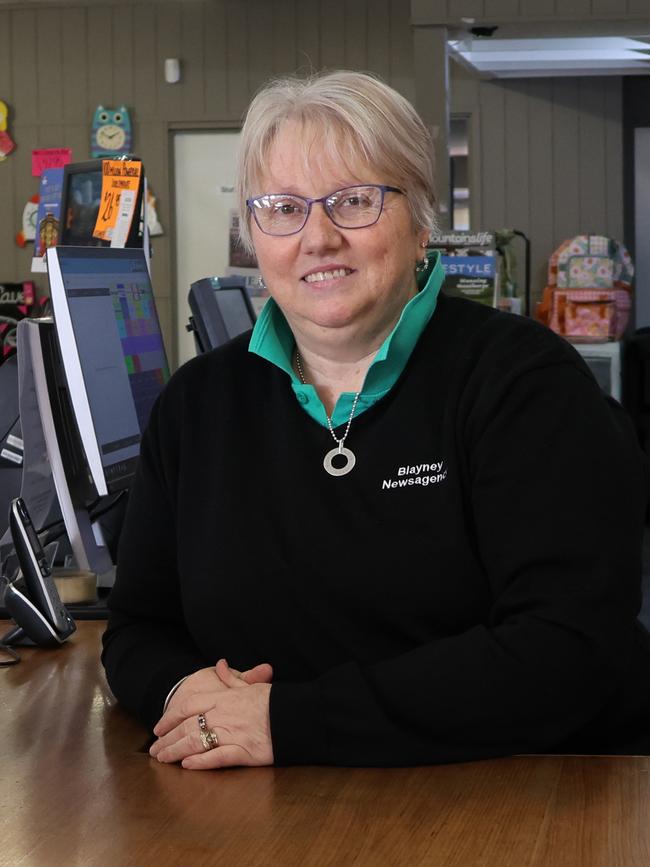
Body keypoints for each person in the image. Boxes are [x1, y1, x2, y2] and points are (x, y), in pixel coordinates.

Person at [102, 69, 650, 771]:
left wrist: (288, 720)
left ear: (422, 221)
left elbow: (568, 646)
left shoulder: (526, 386)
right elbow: (138, 628)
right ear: (253, 235)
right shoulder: (197, 404)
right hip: (284, 809)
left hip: (533, 795)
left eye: (354, 200)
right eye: (282, 208)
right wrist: (193, 697)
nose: (318, 237)